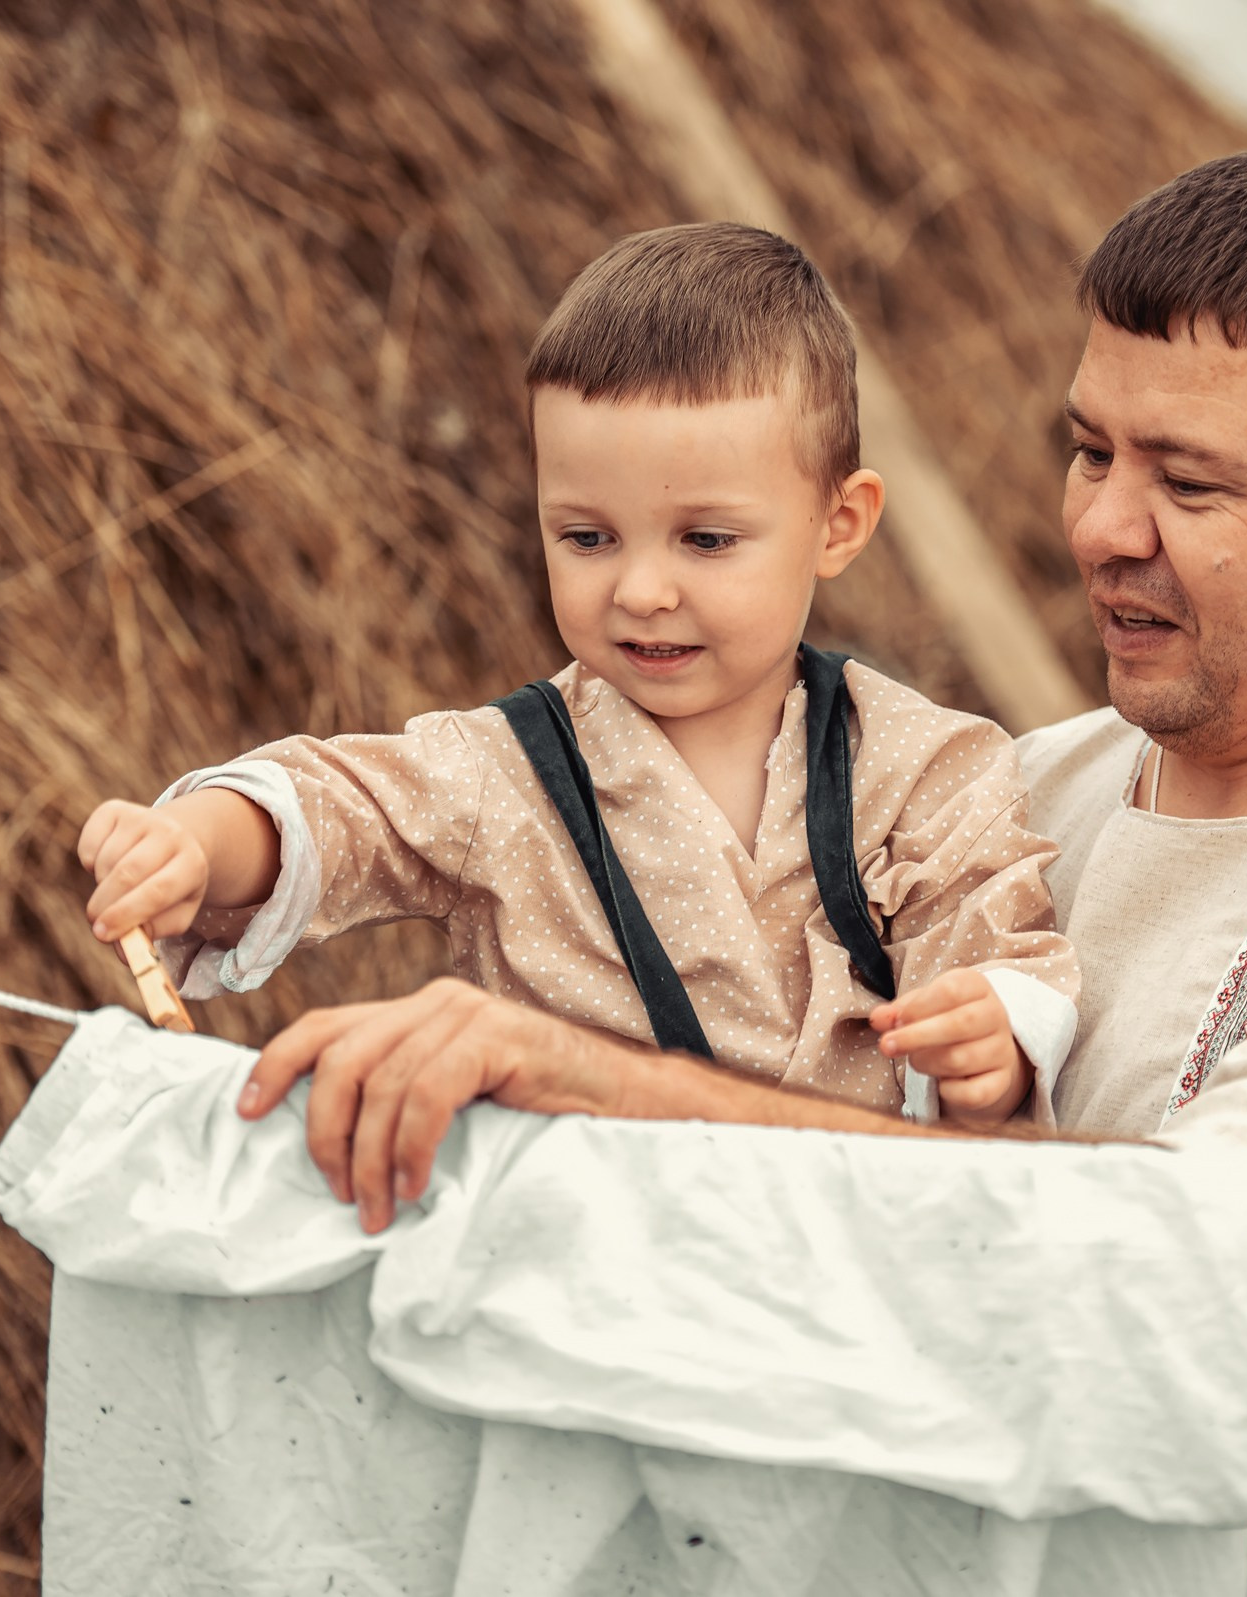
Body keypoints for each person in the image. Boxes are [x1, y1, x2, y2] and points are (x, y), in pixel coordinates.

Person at [218, 148, 1247, 1595]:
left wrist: (597, 1092)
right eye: (1089, 451)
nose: (1099, 527)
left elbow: (1209, 1321)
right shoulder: (1006, 789)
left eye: (1190, 486)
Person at [75, 223, 1081, 1233]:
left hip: (851, 1258)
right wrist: (199, 842)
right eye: (588, 537)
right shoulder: (506, 772)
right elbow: (348, 808)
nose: (641, 589)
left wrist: (989, 1051)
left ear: (839, 524)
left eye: (707, 539)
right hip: (573, 1266)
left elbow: (995, 971)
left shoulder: (929, 769)